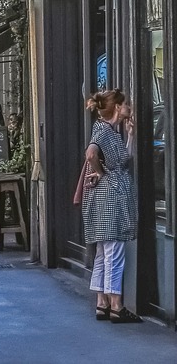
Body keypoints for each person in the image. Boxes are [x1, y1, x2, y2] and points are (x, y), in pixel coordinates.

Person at [82, 89, 142, 323]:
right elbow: (90, 153)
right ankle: (116, 305)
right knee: (114, 252)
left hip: (106, 196)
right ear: (117, 108)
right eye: (126, 104)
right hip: (111, 197)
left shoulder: (108, 130)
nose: (129, 107)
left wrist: (130, 135)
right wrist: (99, 172)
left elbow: (123, 160)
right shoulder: (104, 131)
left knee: (103, 252)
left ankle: (102, 303)